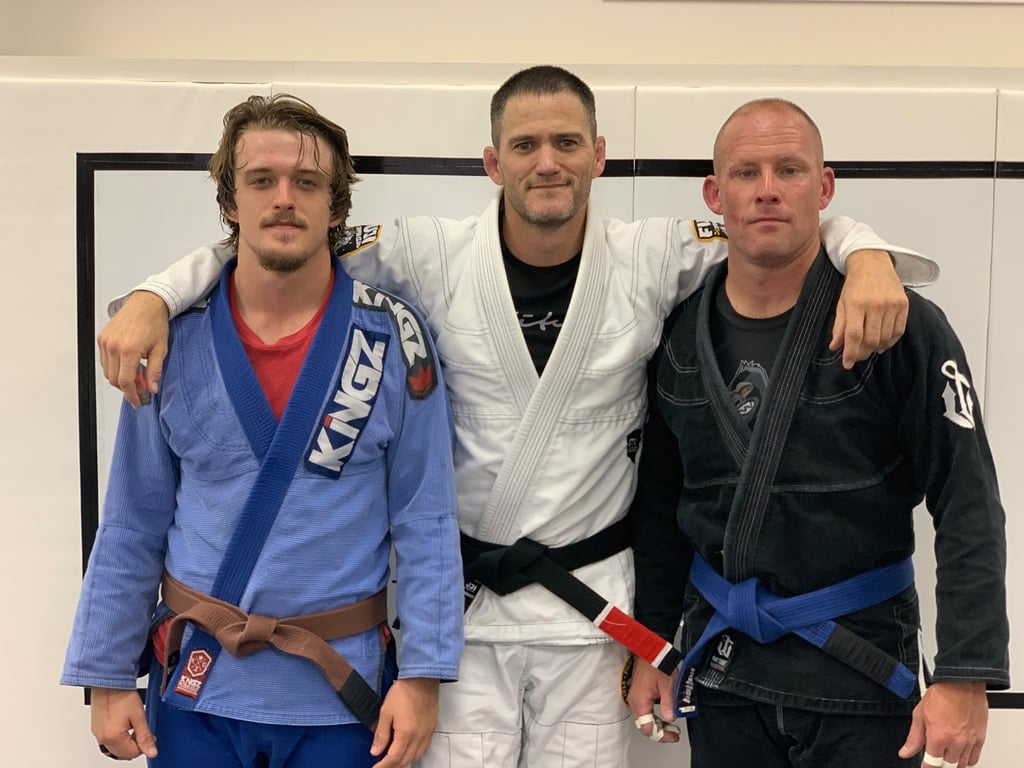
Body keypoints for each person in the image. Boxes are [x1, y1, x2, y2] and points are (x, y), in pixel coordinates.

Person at [94, 68, 937, 768]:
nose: (548, 162)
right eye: (526, 145)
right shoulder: (428, 250)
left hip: (593, 612)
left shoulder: (652, 255)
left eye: (567, 142)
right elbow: (283, 239)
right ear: (493, 162)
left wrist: (863, 251)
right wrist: (156, 294)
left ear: (599, 155)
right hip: (465, 612)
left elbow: (773, 228)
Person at [62, 94, 464, 768]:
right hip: (197, 686)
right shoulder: (172, 339)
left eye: (307, 182)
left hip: (342, 692)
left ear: (335, 207)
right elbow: (133, 519)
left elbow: (426, 519)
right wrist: (106, 675)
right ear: (230, 201)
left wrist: (423, 677)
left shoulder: (393, 339)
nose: (284, 199)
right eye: (261, 180)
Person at [626, 98, 1008, 768]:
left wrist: (965, 673)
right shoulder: (680, 337)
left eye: (790, 169)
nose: (767, 189)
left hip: (860, 672)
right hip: (726, 672)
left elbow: (967, 500)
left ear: (824, 187)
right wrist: (652, 645)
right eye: (746, 173)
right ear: (715, 195)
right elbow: (659, 510)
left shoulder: (900, 326)